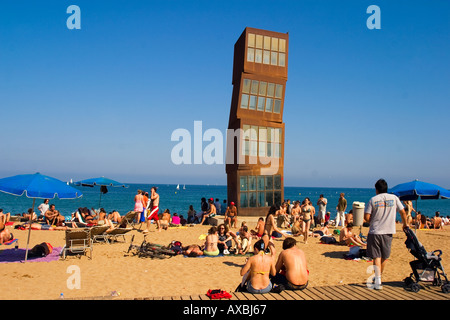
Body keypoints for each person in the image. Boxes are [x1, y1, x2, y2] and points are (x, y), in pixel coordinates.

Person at [364, 179, 407, 290]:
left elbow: (367, 217)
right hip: (388, 231)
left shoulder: (373, 200)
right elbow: (403, 212)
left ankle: (377, 280)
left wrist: (372, 221)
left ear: (377, 189)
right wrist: (405, 224)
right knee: (384, 257)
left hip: (375, 231)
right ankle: (379, 278)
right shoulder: (394, 198)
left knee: (376, 256)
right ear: (386, 188)